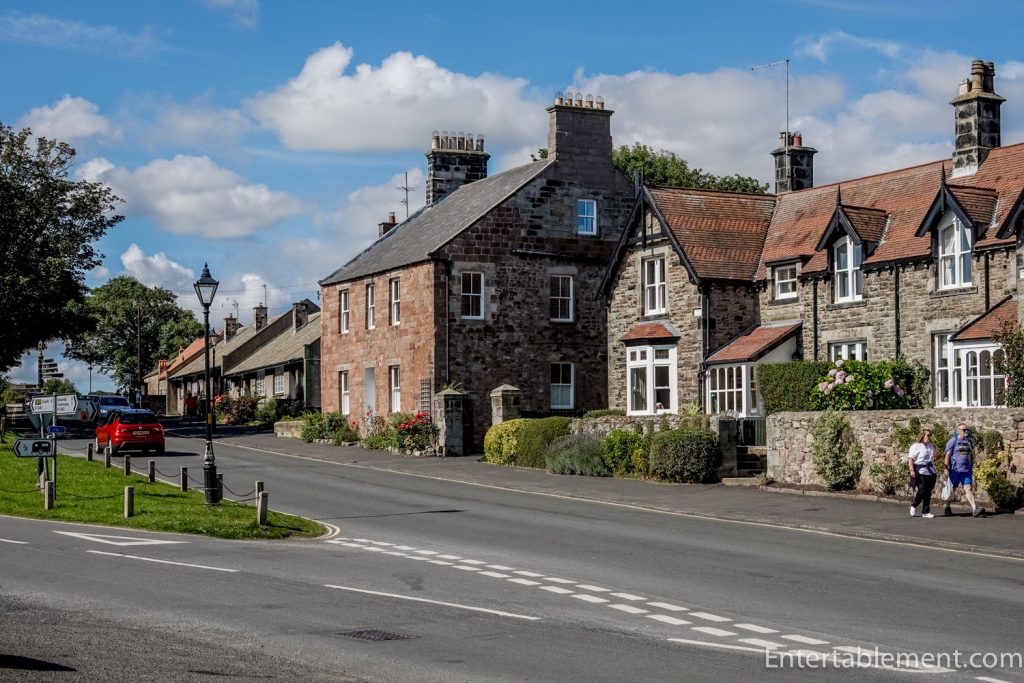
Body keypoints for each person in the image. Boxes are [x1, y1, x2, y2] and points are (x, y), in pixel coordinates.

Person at [943, 422, 984, 517]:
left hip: (966, 471)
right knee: (953, 490)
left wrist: (972, 466)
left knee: (968, 488)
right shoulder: (953, 441)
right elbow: (947, 455)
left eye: (967, 430)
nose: (966, 431)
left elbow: (971, 455)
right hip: (955, 470)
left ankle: (974, 509)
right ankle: (947, 507)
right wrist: (946, 468)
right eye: (964, 430)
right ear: (958, 431)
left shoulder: (968, 441)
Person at [907, 428, 937, 518]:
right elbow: (910, 459)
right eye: (927, 435)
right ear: (922, 436)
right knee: (922, 490)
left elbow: (932, 459)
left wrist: (936, 457)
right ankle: (914, 505)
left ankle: (926, 512)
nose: (929, 437)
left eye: (930, 435)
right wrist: (912, 470)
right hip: (920, 471)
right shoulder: (916, 446)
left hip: (930, 471)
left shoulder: (931, 446)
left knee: (928, 491)